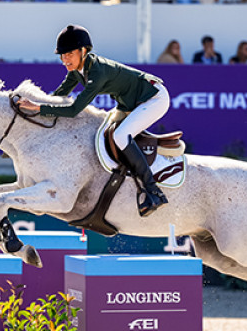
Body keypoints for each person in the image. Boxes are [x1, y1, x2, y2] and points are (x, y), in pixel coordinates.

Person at [16, 25, 170, 216]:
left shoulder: (97, 73)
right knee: (102, 132)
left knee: (121, 136)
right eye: (62, 55)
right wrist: (29, 121)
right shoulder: (77, 70)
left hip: (153, 98)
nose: (65, 60)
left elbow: (73, 110)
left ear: (83, 51)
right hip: (129, 102)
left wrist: (38, 108)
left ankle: (153, 191)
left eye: (69, 54)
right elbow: (58, 96)